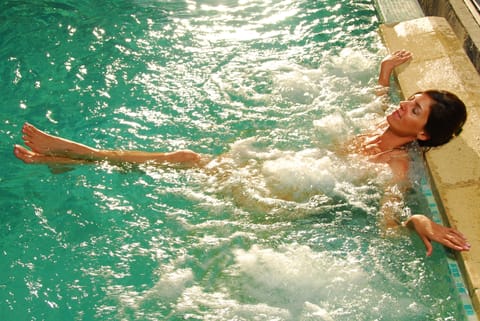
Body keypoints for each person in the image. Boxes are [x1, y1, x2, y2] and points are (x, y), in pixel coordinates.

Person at [13, 50, 470, 256]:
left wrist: (417, 221)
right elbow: (377, 99)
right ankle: (70, 161)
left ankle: (80, 155)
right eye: (411, 100)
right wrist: (384, 71)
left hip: (277, 205)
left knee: (187, 160)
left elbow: (388, 216)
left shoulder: (396, 164)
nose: (401, 106)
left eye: (414, 110)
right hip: (273, 176)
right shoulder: (381, 123)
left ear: (424, 136)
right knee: (185, 162)